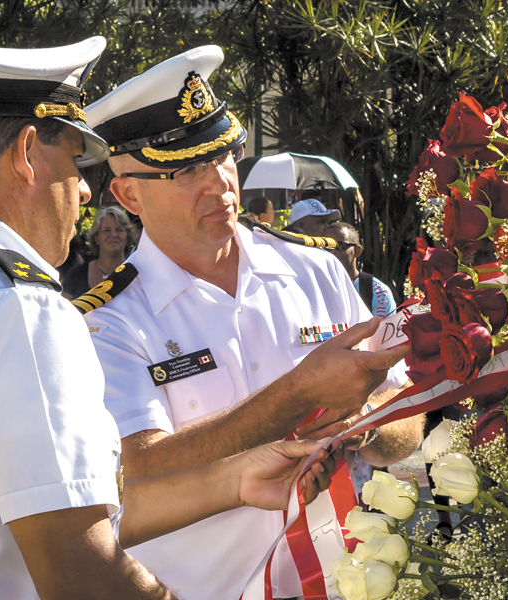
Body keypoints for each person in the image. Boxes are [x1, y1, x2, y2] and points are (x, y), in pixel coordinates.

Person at [0, 38, 340, 600]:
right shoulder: (16, 308)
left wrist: (233, 480)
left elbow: (44, 505)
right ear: (28, 153)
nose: (82, 188)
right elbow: (82, 566)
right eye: (75, 160)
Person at [82, 45, 422, 600]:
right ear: (128, 193)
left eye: (222, 156)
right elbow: (139, 470)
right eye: (187, 169)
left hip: (343, 583)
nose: (219, 184)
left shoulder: (315, 270)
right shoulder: (108, 323)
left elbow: (404, 414)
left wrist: (359, 423)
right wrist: (300, 393)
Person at [326, 222, 397, 319]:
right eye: (326, 247)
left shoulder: (376, 292)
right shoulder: (313, 285)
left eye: (340, 246)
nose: (332, 252)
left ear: (357, 251)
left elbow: (385, 331)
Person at [63, 206, 135, 299]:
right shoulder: (77, 274)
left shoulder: (136, 276)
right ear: (96, 238)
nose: (113, 235)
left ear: (127, 237)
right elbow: (63, 311)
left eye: (119, 230)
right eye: (107, 230)